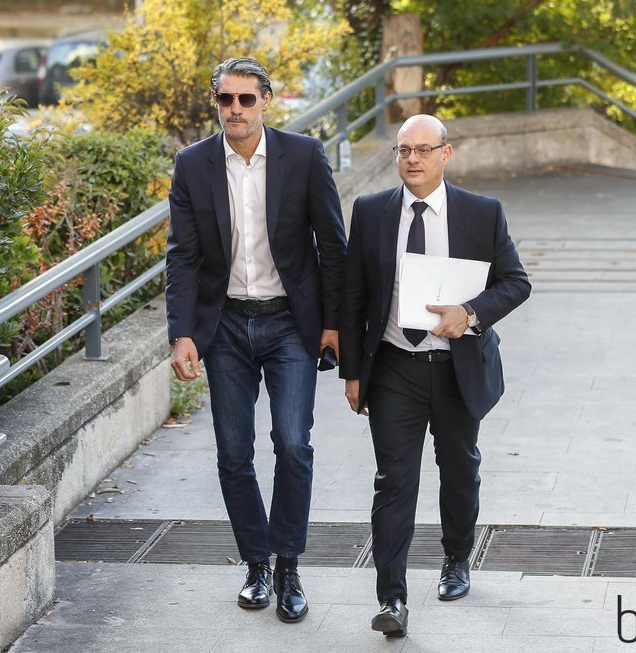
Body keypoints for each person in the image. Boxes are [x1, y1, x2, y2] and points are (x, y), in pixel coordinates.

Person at [165, 57, 347, 623]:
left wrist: (334, 324)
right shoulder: (192, 165)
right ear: (214, 103)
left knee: (293, 444)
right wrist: (183, 334)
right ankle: (256, 564)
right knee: (233, 453)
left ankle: (289, 563)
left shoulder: (304, 156)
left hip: (290, 323)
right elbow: (184, 257)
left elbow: (333, 246)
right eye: (226, 100)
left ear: (266, 100)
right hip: (225, 329)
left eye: (246, 99)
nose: (236, 110)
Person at [338, 114, 530, 637]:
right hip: (394, 367)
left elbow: (516, 283)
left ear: (447, 154)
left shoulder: (482, 213)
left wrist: (468, 314)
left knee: (459, 469)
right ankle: (392, 598)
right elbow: (353, 297)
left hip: (456, 368)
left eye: (423, 150)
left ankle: (456, 559)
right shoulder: (372, 211)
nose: (413, 159)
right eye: (404, 151)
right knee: (393, 482)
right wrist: (352, 373)